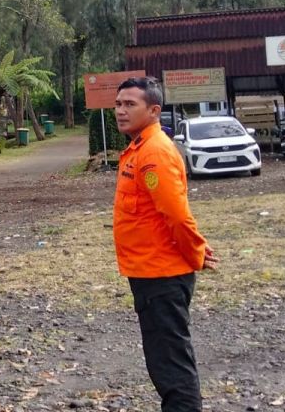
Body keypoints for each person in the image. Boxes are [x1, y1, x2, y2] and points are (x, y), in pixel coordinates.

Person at [114, 76, 217, 412]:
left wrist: (196, 253)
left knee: (171, 364)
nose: (121, 111)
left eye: (130, 104)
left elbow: (177, 215)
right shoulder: (137, 149)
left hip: (163, 275)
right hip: (147, 271)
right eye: (118, 104)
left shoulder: (155, 152)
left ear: (154, 110)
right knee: (163, 361)